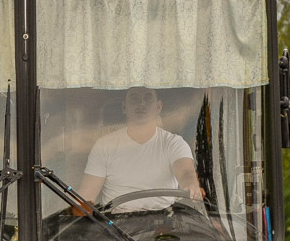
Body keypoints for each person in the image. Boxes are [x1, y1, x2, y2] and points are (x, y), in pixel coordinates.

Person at [76, 87, 204, 214]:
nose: (141, 103)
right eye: (134, 99)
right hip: (116, 224)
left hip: (163, 224)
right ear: (124, 107)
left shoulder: (174, 143)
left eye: (148, 98)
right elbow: (86, 198)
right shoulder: (104, 146)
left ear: (158, 107)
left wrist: (191, 185)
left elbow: (186, 172)